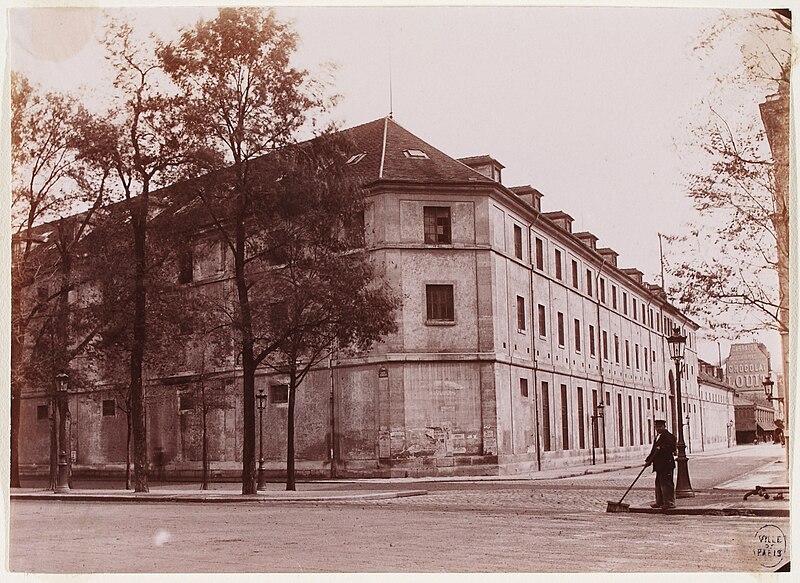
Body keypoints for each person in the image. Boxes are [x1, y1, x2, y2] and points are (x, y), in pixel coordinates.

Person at [644, 419, 677, 509]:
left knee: (667, 484)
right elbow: (654, 450)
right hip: (659, 465)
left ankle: (670, 503)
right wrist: (648, 460)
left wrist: (662, 448)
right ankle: (660, 502)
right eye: (656, 427)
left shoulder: (669, 436)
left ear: (664, 427)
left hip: (666, 464)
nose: (657, 429)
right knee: (659, 483)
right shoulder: (657, 437)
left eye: (659, 427)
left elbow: (672, 448)